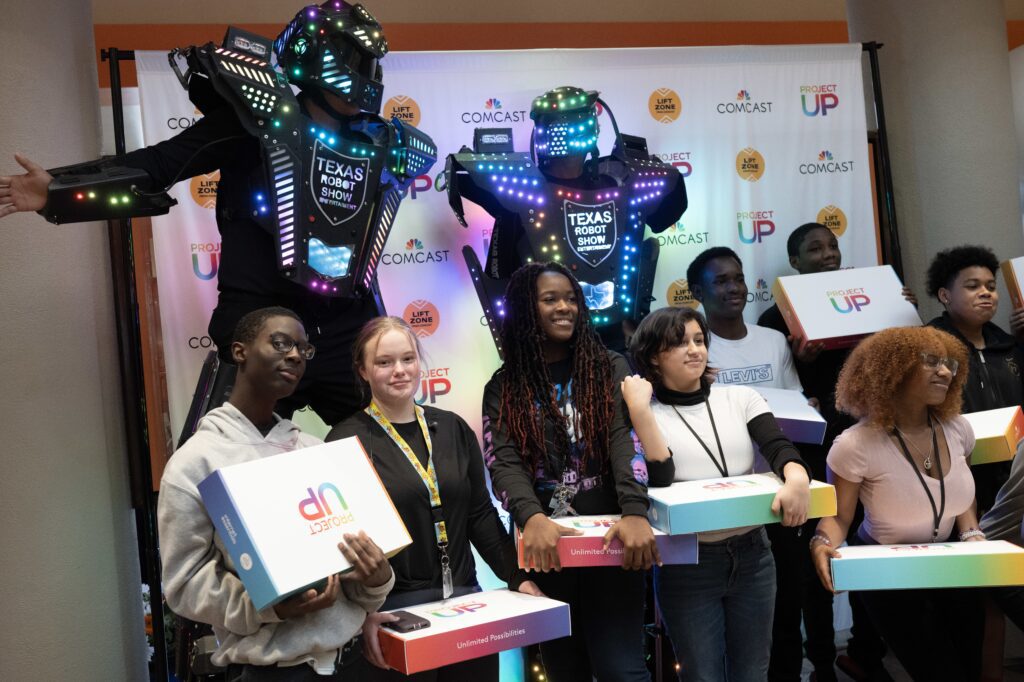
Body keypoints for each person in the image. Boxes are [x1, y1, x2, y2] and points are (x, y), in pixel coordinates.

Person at [0, 1, 435, 426]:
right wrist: (57, 189)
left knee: (391, 459)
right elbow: (161, 163)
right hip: (260, 322)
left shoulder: (382, 143)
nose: (365, 73)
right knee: (226, 469)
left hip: (345, 327)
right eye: (355, 58)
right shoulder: (258, 121)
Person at [157, 306, 395, 679]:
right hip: (274, 670)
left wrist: (375, 577)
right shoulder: (195, 464)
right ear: (240, 351)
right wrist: (268, 606)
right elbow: (184, 585)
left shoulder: (315, 451)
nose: (296, 356)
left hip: (354, 662)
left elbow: (358, 584)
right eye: (282, 343)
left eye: (304, 349)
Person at [326, 316, 541, 681]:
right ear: (363, 371)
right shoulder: (346, 441)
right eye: (384, 362)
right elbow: (342, 545)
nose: (399, 370)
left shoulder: (453, 428)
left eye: (408, 359)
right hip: (394, 611)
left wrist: (516, 576)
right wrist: (362, 613)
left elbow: (479, 515)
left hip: (465, 604)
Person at [482, 261, 661, 681]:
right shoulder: (504, 386)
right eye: (550, 299)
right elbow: (502, 462)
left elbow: (625, 441)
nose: (565, 307)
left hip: (613, 544)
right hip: (547, 550)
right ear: (527, 309)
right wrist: (531, 517)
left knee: (622, 669)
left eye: (571, 298)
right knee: (564, 670)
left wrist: (635, 510)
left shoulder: (609, 367)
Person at [623, 305, 811, 682]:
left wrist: (797, 477)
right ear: (653, 357)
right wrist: (641, 412)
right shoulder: (646, 412)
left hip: (754, 554)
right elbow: (661, 476)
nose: (694, 350)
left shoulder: (740, 398)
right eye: (679, 343)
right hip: (687, 562)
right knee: (701, 675)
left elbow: (778, 447)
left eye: (699, 340)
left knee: (752, 672)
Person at [447, 86, 687, 350]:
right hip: (540, 343)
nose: (564, 130)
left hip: (612, 337)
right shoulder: (520, 185)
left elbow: (670, 194)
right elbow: (465, 174)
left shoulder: (623, 183)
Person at [757, 223, 894, 682]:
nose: (827, 254)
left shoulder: (867, 294)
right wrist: (804, 360)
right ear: (794, 262)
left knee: (870, 549)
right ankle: (819, 663)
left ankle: (865, 654)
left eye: (832, 245)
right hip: (814, 452)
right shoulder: (775, 320)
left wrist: (899, 309)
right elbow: (779, 393)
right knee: (819, 555)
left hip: (875, 442)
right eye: (814, 249)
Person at [811, 326, 984, 682]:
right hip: (891, 575)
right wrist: (822, 543)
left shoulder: (958, 429)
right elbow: (839, 518)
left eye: (950, 363)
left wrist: (971, 533)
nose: (946, 372)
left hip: (955, 566)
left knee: (969, 669)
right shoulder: (855, 444)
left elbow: (961, 497)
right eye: (932, 362)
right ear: (893, 369)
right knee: (941, 673)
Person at [925, 245, 1024, 513]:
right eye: (973, 286)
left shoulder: (1010, 346)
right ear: (945, 295)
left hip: (1014, 476)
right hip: (957, 476)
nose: (985, 293)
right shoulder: (930, 347)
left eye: (991, 287)